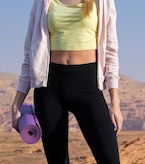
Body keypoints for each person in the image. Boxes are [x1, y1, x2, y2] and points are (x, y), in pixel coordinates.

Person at [10, 0, 122, 163]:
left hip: (88, 87)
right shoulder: (43, 2)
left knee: (110, 159)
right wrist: (16, 103)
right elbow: (30, 53)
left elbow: (111, 52)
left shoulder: (102, 2)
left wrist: (115, 103)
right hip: (49, 89)